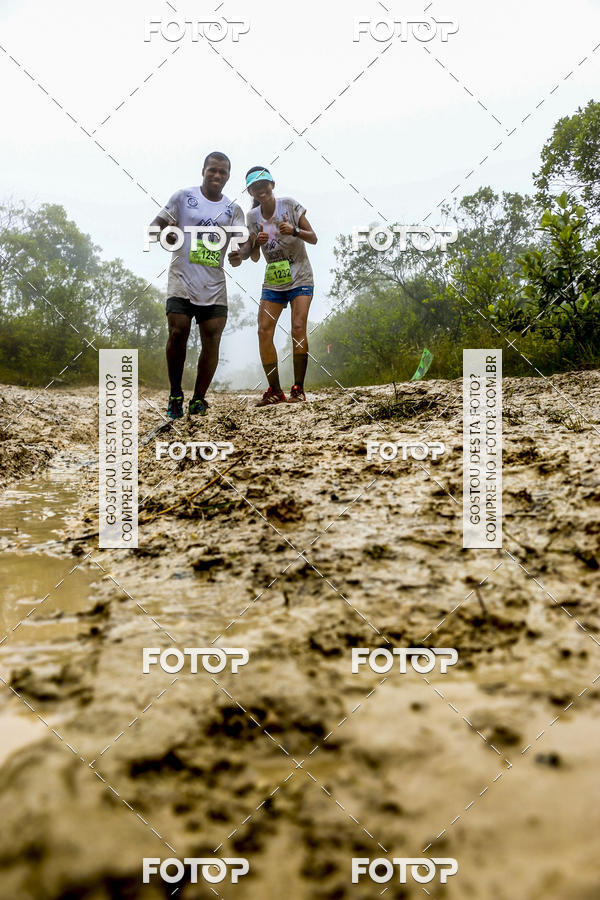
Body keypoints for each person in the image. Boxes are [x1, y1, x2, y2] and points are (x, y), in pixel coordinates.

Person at [150, 151, 246, 419]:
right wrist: (165, 233)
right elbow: (154, 227)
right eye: (212, 170)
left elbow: (244, 242)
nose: (217, 175)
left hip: (213, 283)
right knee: (178, 331)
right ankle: (175, 394)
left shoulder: (233, 209)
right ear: (203, 171)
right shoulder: (183, 197)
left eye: (222, 172)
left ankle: (199, 399)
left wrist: (241, 253)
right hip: (181, 278)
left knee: (212, 339)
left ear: (228, 176)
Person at [243, 167, 318, 406]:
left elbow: (313, 237)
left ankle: (298, 389)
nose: (261, 189)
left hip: (300, 275)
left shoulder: (289, 205)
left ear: (272, 184)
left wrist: (294, 230)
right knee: (263, 331)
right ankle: (275, 390)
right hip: (275, 278)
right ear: (251, 191)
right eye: (256, 186)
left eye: (265, 183)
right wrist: (256, 242)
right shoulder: (252, 217)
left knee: (298, 327)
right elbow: (254, 256)